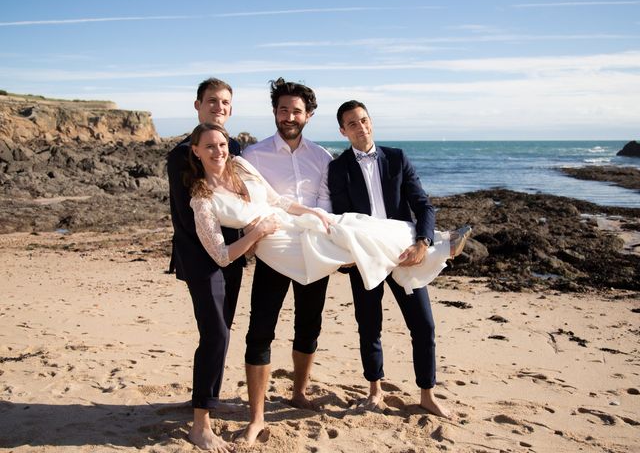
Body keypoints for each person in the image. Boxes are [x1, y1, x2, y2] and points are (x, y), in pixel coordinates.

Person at [187, 122, 471, 436]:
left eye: (222, 145)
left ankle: (434, 242)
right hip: (274, 244)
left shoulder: (240, 165)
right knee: (344, 245)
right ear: (196, 151)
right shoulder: (202, 199)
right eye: (210, 146)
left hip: (290, 221)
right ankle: (440, 245)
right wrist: (256, 232)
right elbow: (222, 255)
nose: (218, 152)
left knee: (349, 224)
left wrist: (313, 212)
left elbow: (277, 200)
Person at [327, 100, 469, 418]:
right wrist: (345, 254)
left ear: (371, 122)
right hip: (364, 255)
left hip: (405, 252)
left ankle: (427, 395)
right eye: (352, 123)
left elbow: (423, 205)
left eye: (364, 120)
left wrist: (422, 243)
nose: (360, 127)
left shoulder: (397, 157)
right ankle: (374, 391)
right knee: (369, 325)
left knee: (423, 325)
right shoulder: (338, 168)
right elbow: (340, 216)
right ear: (342, 131)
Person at [237, 78, 333, 445]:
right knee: (260, 330)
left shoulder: (322, 156)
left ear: (308, 114)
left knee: (309, 326)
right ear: (274, 113)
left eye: (296, 110)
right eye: (283, 110)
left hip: (312, 251)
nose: (289, 116)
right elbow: (249, 205)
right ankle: (257, 415)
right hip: (273, 252)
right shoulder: (253, 155)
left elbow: (325, 204)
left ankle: (298, 393)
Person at [167, 77, 244, 452]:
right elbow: (186, 217)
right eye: (212, 101)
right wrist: (218, 256)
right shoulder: (182, 153)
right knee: (216, 334)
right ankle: (200, 425)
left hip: (233, 257)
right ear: (197, 105)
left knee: (220, 332)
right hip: (202, 259)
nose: (219, 106)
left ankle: (204, 398)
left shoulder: (235, 147)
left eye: (225, 102)